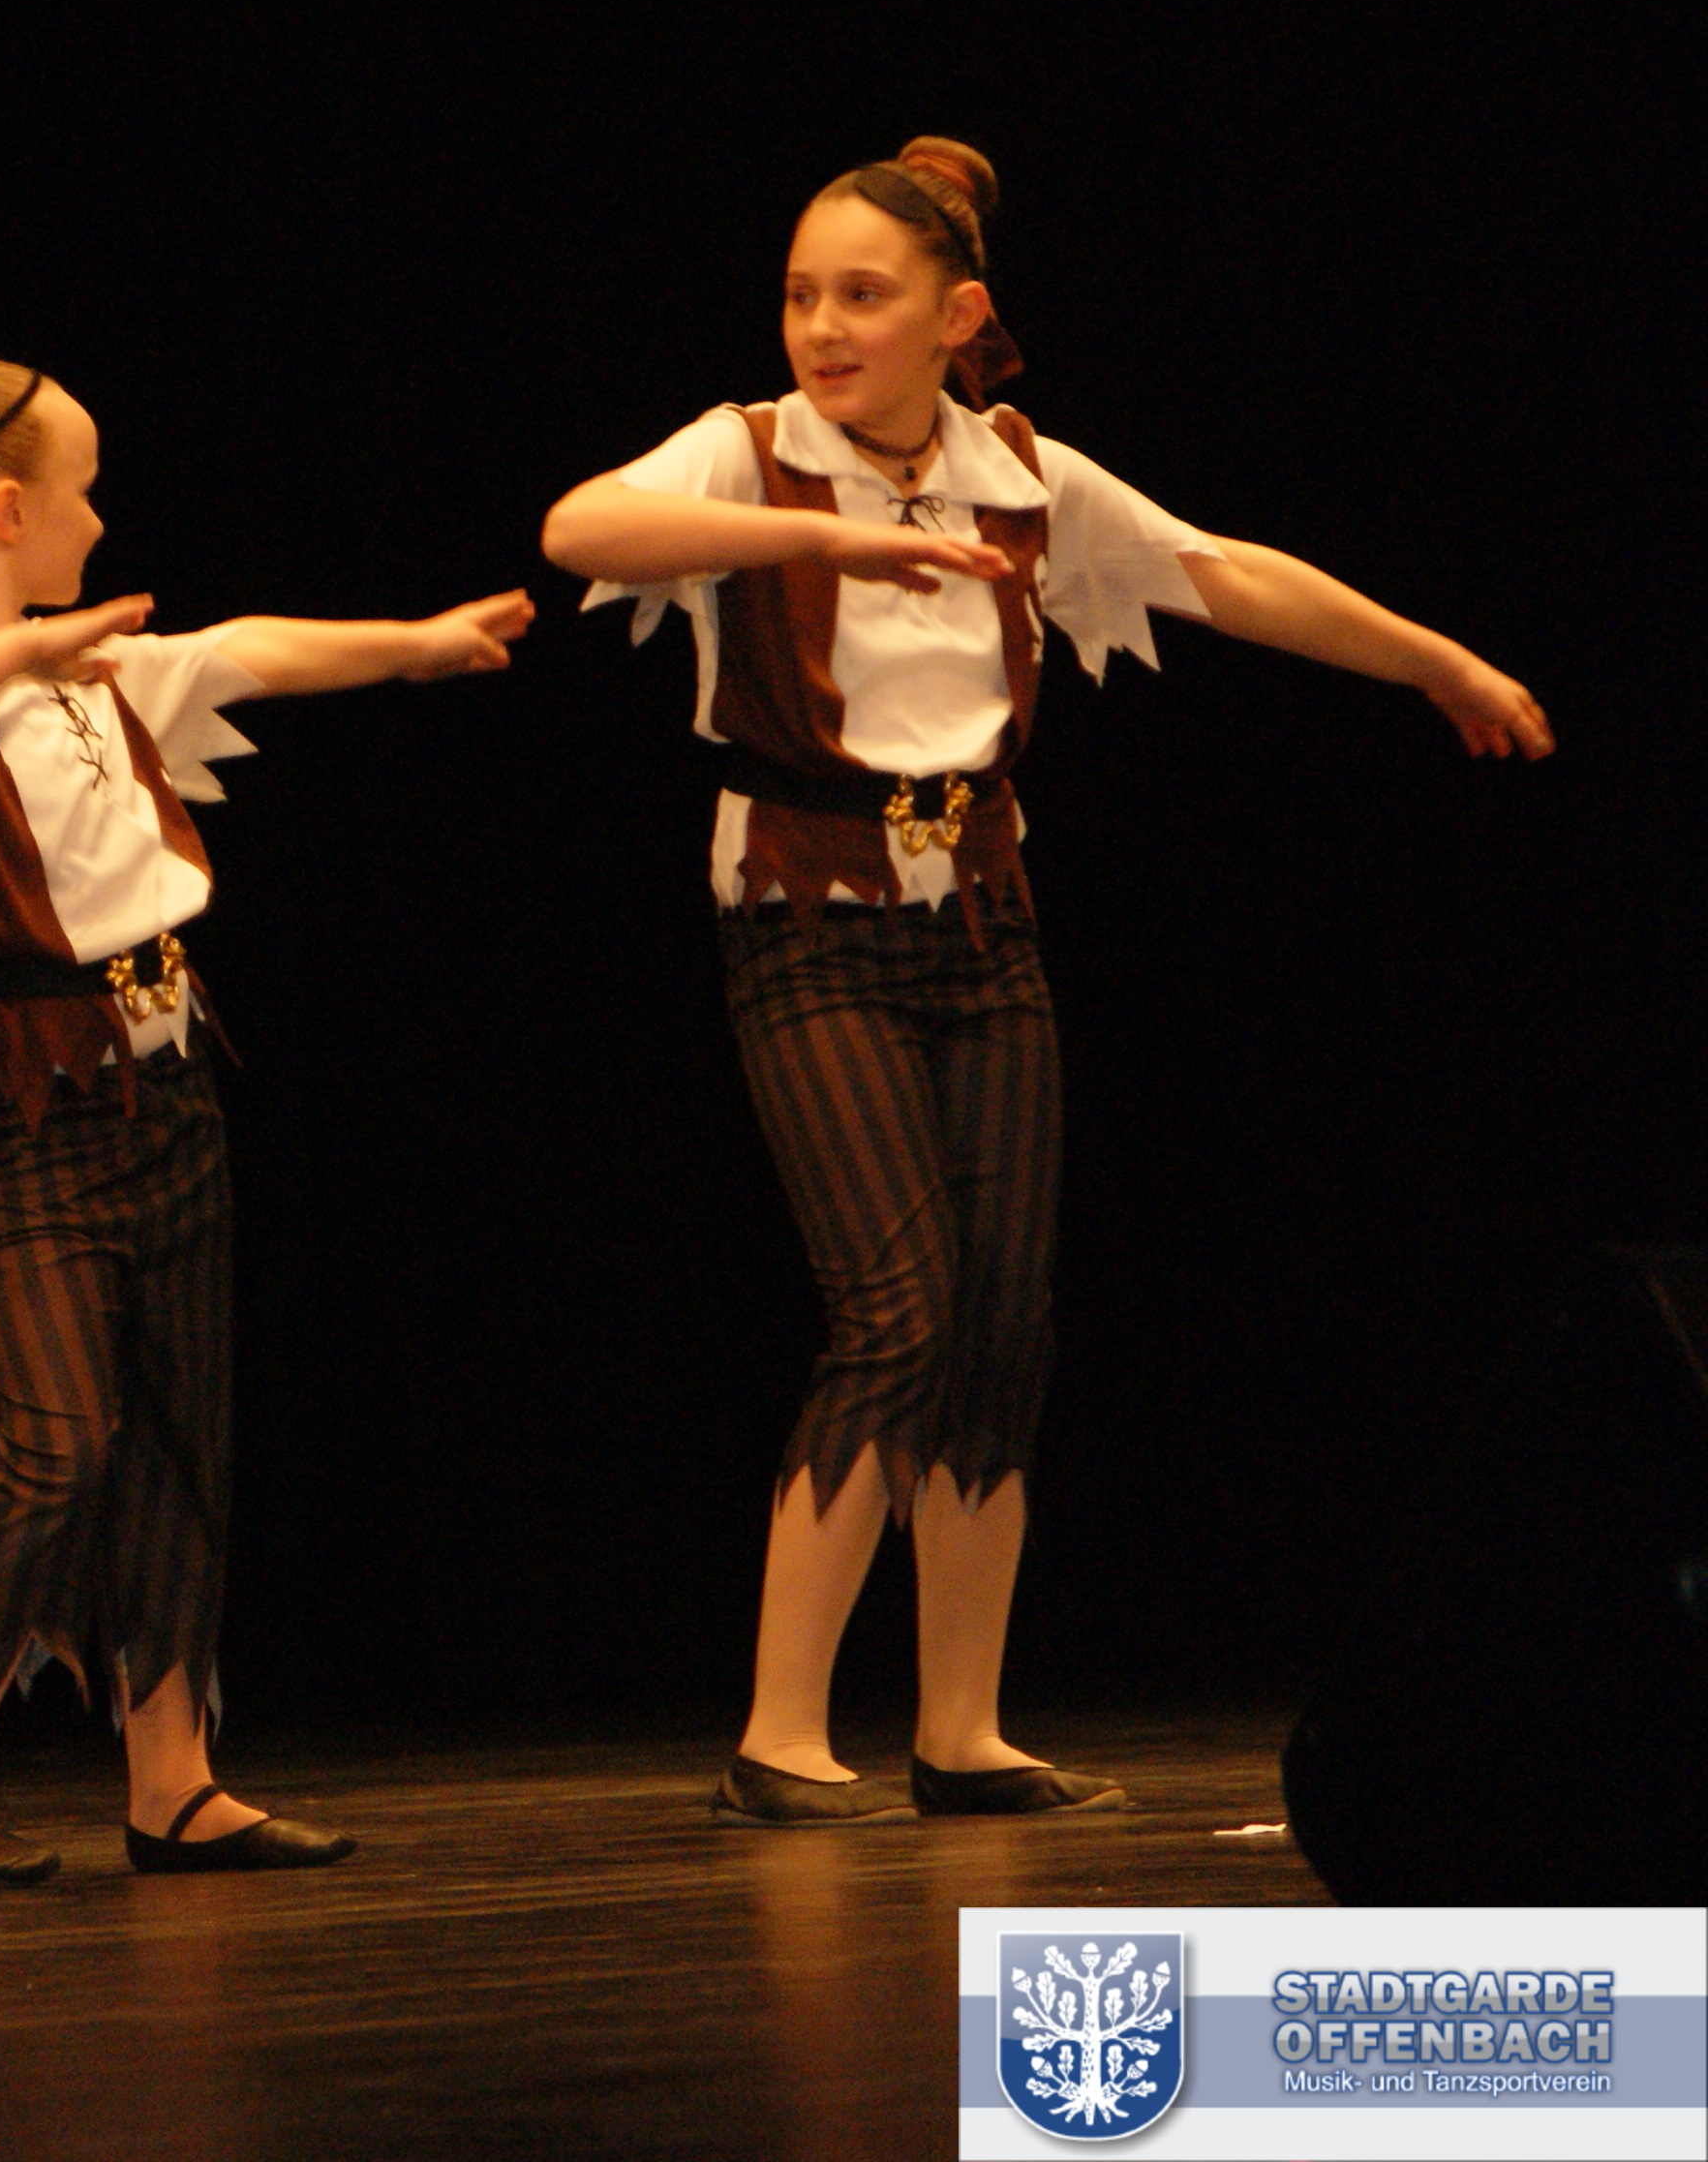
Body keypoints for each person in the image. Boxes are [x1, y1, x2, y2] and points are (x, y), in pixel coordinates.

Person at [538, 140, 1552, 1825]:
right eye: (801, 295)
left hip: (982, 923)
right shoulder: (752, 453)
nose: (823, 327)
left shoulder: (1016, 472)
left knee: (1002, 1325)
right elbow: (584, 525)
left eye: (864, 296)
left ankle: (962, 1729)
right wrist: (825, 542)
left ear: (959, 317)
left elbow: (1223, 572)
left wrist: (1435, 661)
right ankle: (781, 1734)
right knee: (896, 1309)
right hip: (806, 914)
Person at [0, 350, 534, 1886]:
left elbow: (246, 649)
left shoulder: (95, 676)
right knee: (61, 1442)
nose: (99, 519)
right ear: (7, 512)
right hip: (18, 1099)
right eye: (80, 493)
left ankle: (174, 1779)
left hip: (164, 1075)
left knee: (178, 1437)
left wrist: (418, 644)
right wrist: (23, 649)